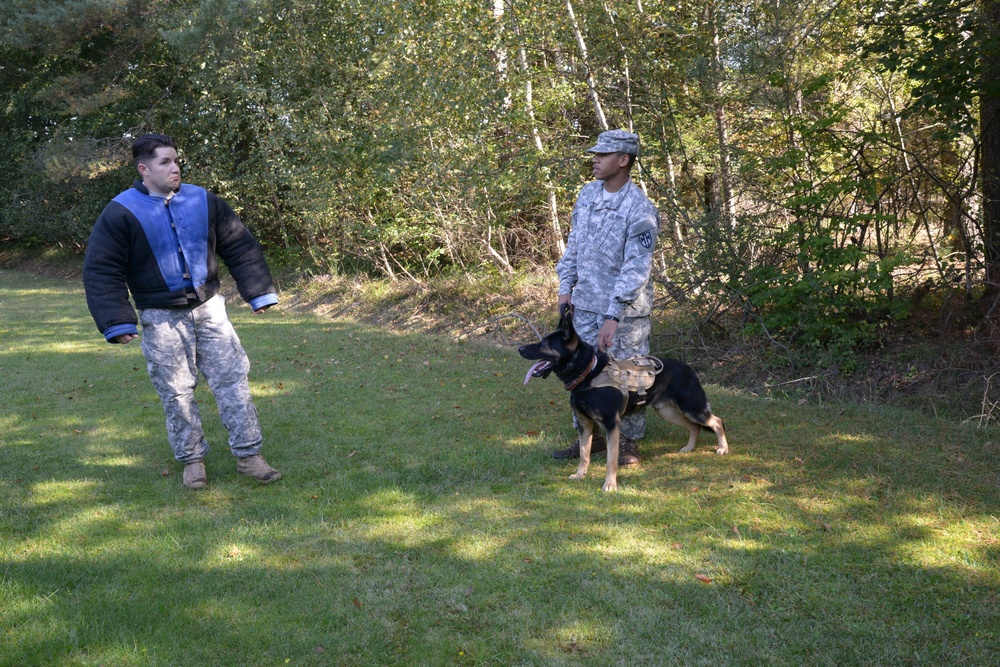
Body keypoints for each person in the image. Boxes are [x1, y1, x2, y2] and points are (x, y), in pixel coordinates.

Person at [83, 133, 282, 489]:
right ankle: (193, 462)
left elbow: (239, 244)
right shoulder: (121, 211)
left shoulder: (203, 200)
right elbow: (102, 269)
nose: (175, 168)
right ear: (144, 169)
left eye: (176, 161)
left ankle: (250, 457)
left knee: (233, 381)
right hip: (161, 318)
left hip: (211, 309)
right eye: (165, 162)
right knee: (176, 392)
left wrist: (259, 293)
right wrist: (117, 320)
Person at [550, 129, 660, 466]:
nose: (595, 159)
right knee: (580, 371)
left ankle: (628, 442)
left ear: (623, 160)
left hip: (624, 313)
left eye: (603, 154)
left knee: (627, 376)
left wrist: (614, 315)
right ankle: (590, 436)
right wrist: (565, 288)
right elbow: (575, 245)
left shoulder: (640, 208)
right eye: (595, 154)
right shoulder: (587, 195)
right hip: (583, 305)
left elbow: (635, 268)